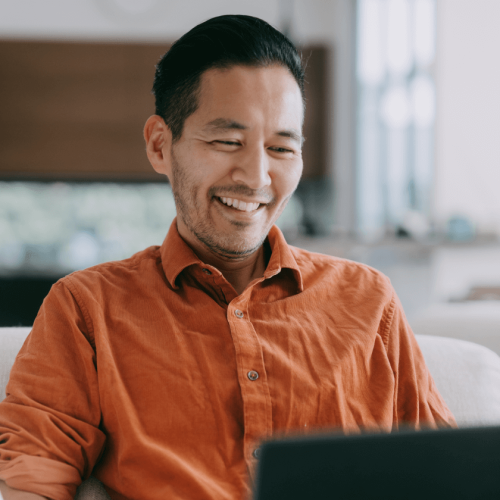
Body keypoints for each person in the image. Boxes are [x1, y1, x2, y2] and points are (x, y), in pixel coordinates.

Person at [0, 14, 454, 500]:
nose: (256, 176)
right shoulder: (86, 310)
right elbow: (31, 480)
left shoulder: (368, 301)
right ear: (160, 145)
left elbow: (449, 476)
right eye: (227, 142)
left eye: (282, 146)